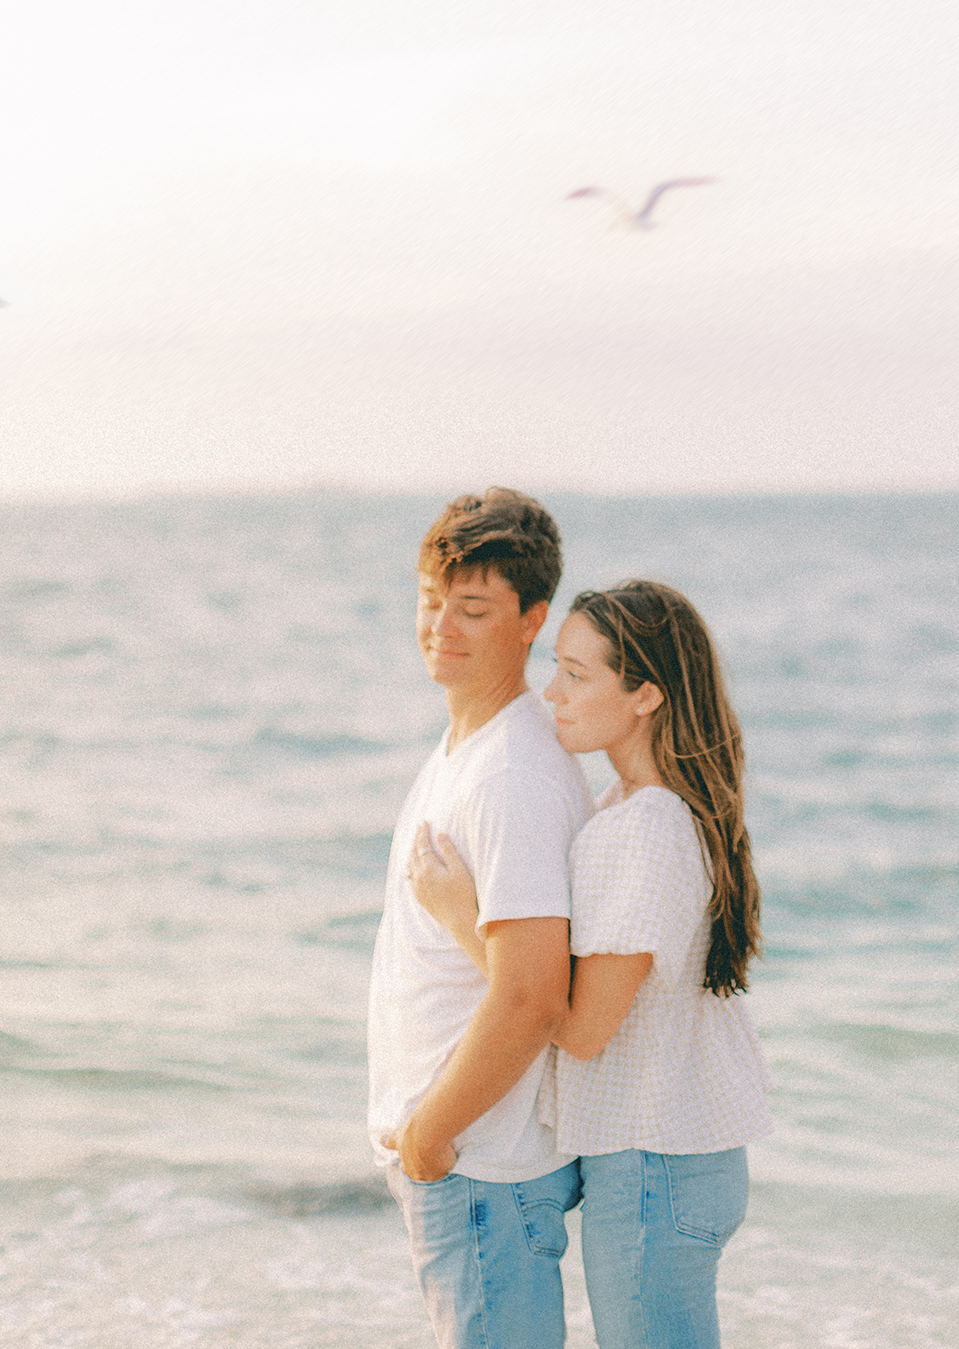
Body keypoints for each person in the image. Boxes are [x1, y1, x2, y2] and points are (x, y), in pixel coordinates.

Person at [410, 577, 771, 1349]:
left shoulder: (639, 825)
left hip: (655, 1167)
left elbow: (577, 1031)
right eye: (556, 667)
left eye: (577, 674)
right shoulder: (649, 807)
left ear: (644, 694)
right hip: (674, 1162)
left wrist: (459, 914)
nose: (551, 694)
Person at [367, 487, 594, 1349]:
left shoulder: (512, 776)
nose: (440, 627)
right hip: (465, 1167)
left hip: (478, 1168)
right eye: (430, 601)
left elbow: (534, 995)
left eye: (472, 608)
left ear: (533, 619)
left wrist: (430, 1132)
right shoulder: (468, 745)